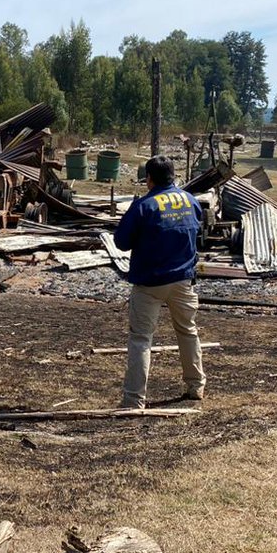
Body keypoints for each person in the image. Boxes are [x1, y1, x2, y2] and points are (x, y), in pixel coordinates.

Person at [113, 154, 204, 407]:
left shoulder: (144, 206)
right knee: (188, 332)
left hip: (150, 282)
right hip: (183, 279)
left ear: (149, 179)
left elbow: (120, 243)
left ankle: (134, 399)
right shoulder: (190, 200)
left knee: (141, 338)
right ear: (172, 175)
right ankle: (195, 386)